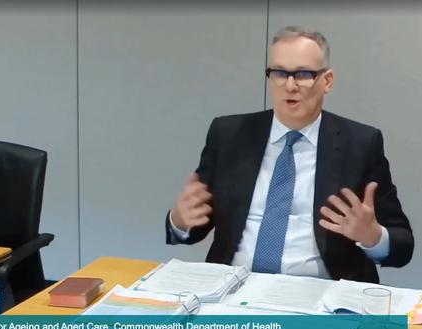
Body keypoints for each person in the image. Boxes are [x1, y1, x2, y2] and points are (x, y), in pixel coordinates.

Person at [166, 26, 413, 283]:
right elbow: (193, 227)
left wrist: (372, 237)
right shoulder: (228, 134)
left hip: (319, 294)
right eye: (279, 73)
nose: (290, 85)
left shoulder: (361, 143)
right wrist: (179, 221)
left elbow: (403, 245)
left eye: (304, 74)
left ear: (327, 81)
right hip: (233, 288)